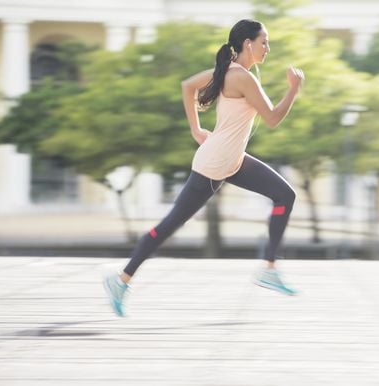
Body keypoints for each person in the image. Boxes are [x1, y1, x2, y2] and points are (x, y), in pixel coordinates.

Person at [103, 19, 304, 317]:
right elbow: (273, 119)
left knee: (285, 196)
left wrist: (197, 130)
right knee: (170, 225)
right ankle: (121, 279)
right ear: (248, 44)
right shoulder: (243, 78)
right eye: (264, 42)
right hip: (214, 163)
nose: (268, 48)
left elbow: (188, 86)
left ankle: (269, 268)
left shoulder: (228, 73)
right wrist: (294, 89)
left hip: (231, 159)